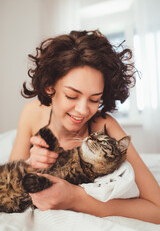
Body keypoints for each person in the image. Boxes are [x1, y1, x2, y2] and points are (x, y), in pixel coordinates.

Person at [9, 30, 160, 223]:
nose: (82, 110)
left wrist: (75, 197)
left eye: (94, 99)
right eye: (71, 96)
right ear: (49, 87)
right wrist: (28, 166)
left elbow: (157, 208)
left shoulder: (105, 127)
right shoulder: (32, 113)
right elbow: (6, 187)